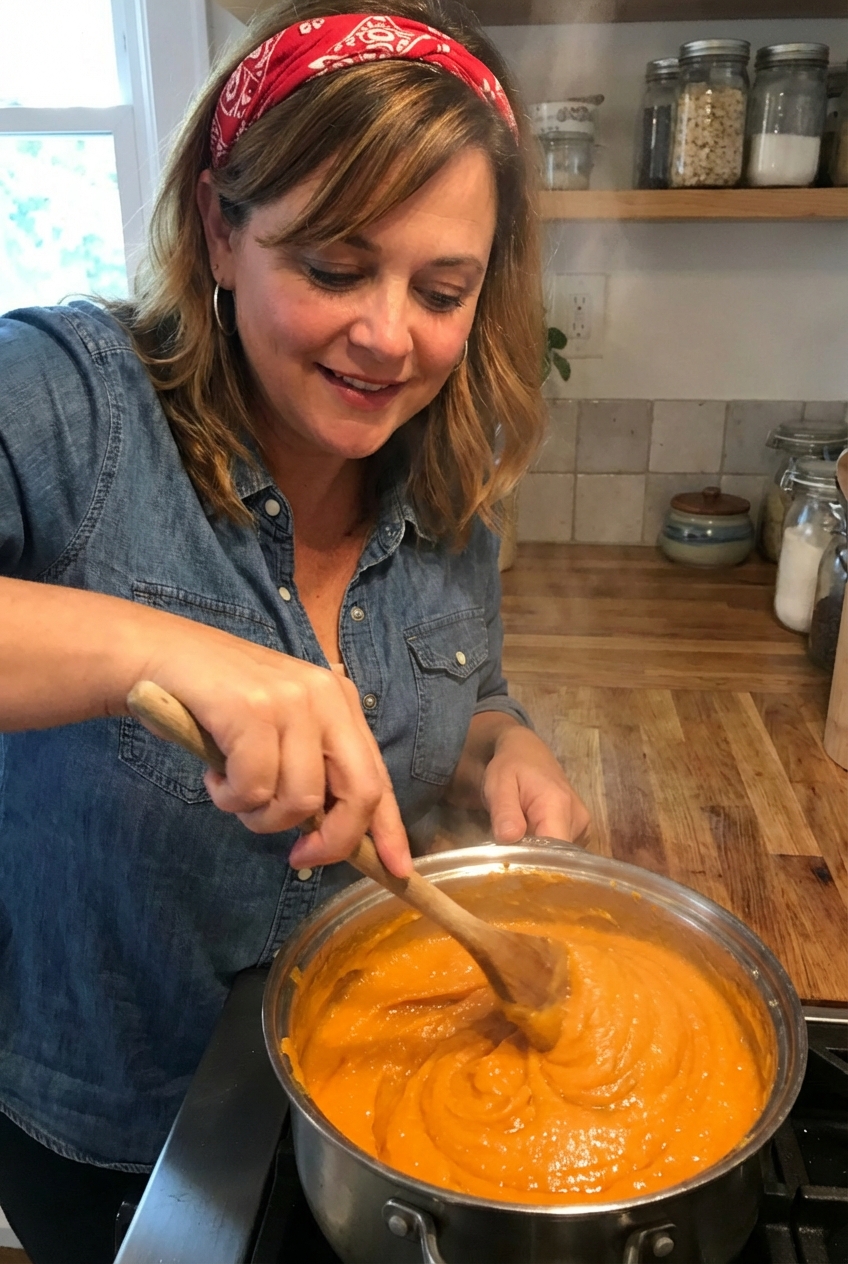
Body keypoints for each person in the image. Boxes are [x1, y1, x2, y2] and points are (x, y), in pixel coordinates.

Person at [0, 2, 589, 1259]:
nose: (389, 337)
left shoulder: (442, 491)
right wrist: (157, 650)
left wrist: (500, 749)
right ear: (220, 226)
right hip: (119, 1137)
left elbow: (471, 687)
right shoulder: (68, 401)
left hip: (365, 1124)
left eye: (444, 289)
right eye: (332, 267)